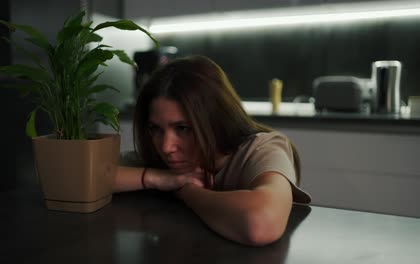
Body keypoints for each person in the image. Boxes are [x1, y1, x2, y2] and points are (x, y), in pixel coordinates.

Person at [114, 55, 311, 247]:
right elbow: (89, 178)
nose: (166, 147)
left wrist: (187, 191)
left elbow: (260, 223)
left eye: (183, 128)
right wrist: (156, 177)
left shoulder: (262, 149)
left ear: (216, 121)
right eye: (155, 129)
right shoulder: (160, 160)